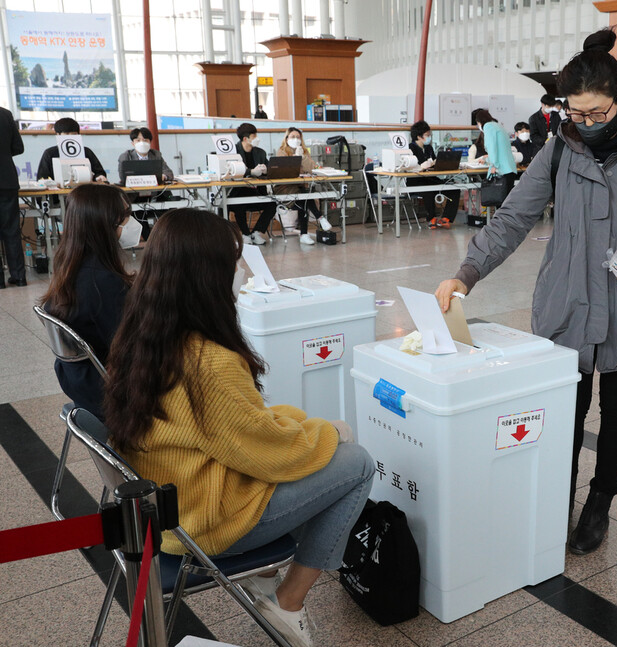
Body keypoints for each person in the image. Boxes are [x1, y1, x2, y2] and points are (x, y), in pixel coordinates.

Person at [435, 29, 617, 556]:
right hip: (568, 301)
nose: (588, 123)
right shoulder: (559, 151)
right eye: (577, 113)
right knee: (566, 411)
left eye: (597, 113)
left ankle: (600, 501)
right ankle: (558, 494)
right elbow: (512, 218)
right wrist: (468, 272)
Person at [102, 209, 375, 647]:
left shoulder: (141, 335)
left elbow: (243, 429)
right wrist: (331, 432)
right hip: (206, 521)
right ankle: (288, 602)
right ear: (207, 276)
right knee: (356, 464)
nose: (236, 277)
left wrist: (306, 423)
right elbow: (271, 453)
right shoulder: (209, 360)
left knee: (312, 438)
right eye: (231, 265)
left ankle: (265, 576)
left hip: (170, 505)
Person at [40, 184, 136, 419]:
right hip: (115, 398)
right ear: (106, 224)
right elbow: (137, 351)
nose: (131, 222)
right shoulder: (106, 284)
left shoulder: (69, 271)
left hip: (82, 387)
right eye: (125, 216)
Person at [275, 127, 329, 245]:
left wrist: (303, 157)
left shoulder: (304, 151)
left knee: (304, 198)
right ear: (287, 138)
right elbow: (285, 171)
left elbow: (311, 168)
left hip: (301, 188)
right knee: (305, 199)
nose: (295, 139)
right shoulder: (282, 151)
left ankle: (305, 234)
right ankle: (319, 218)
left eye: (298, 137)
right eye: (292, 137)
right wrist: (295, 158)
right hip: (285, 189)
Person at [229, 123, 276, 245]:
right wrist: (250, 171)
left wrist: (266, 170)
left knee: (272, 204)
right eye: (254, 136)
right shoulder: (233, 151)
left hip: (256, 191)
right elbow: (232, 171)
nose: (257, 138)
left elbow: (269, 169)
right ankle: (245, 234)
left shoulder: (260, 153)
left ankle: (256, 232)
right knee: (240, 203)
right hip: (237, 191)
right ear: (245, 139)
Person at [407, 120, 460, 229]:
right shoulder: (410, 148)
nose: (429, 137)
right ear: (418, 136)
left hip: (430, 178)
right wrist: (423, 166)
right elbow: (411, 167)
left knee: (454, 189)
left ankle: (446, 218)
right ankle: (431, 218)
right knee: (429, 190)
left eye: (430, 135)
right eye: (427, 135)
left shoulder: (429, 148)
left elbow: (435, 162)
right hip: (416, 181)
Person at [36, 118, 108, 183]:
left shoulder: (86, 151)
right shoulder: (50, 153)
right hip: (57, 193)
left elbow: (99, 172)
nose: (70, 137)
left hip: (84, 191)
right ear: (58, 135)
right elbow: (42, 177)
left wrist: (99, 177)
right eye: (66, 133)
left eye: (73, 134)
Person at [0, 104, 25, 288]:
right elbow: (18, 147)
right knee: (12, 231)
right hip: (7, 179)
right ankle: (19, 277)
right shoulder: (5, 114)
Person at [473, 109, 518, 200]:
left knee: (499, 202)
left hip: (501, 170)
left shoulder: (488, 127)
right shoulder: (498, 126)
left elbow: (492, 147)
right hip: (510, 168)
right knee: (507, 202)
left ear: (479, 122)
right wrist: (488, 159)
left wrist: (493, 164)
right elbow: (500, 149)